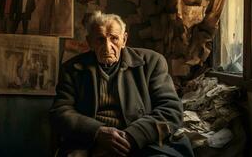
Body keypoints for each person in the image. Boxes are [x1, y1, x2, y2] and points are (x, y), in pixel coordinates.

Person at [50, 11, 194, 157]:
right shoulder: (72, 68)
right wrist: (97, 132)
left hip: (140, 142)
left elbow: (170, 109)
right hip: (90, 142)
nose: (107, 47)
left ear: (124, 40)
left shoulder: (152, 62)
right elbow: (60, 111)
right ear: (90, 42)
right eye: (100, 39)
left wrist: (131, 136)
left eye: (114, 39)